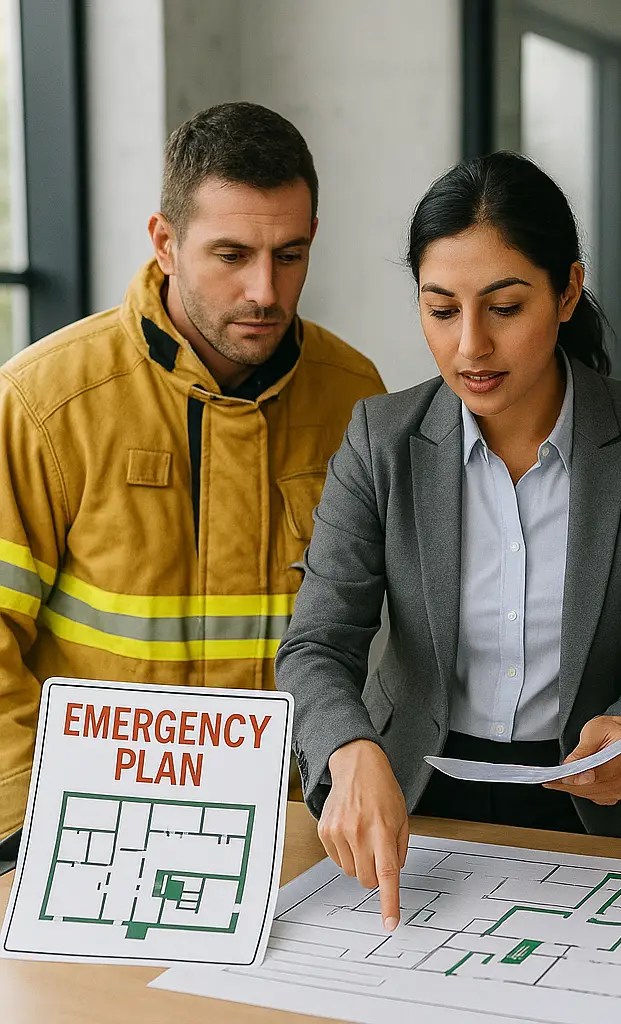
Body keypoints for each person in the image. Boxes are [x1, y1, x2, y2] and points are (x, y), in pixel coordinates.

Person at [277, 151, 621, 930]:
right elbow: (316, 645)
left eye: (505, 307)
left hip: (597, 808)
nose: (470, 347)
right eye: (441, 308)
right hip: (413, 797)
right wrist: (348, 749)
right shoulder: (380, 440)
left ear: (567, 291)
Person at [0, 102, 384, 838]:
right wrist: (36, 827)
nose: (266, 292)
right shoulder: (44, 403)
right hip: (90, 832)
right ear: (166, 243)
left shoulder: (356, 397)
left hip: (301, 835)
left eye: (291, 255)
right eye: (232, 255)